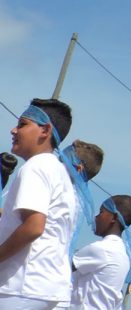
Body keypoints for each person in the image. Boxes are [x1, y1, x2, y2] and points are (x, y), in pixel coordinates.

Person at [0, 97, 75, 309]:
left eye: (22, 124)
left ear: (45, 130)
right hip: (43, 287)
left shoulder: (35, 167)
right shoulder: (57, 171)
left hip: (21, 286)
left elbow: (33, 227)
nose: (14, 130)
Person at [70, 195, 131, 310]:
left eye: (101, 212)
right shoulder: (123, 254)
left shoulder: (102, 249)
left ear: (114, 217)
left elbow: (61, 265)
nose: (96, 217)